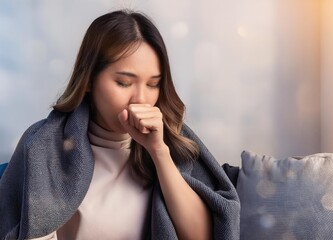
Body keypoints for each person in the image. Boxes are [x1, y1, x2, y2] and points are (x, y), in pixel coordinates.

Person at [0, 10, 240, 240]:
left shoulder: (174, 143)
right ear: (89, 80)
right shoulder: (43, 145)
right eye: (124, 83)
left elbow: (204, 237)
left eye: (153, 84)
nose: (141, 99)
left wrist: (159, 153)